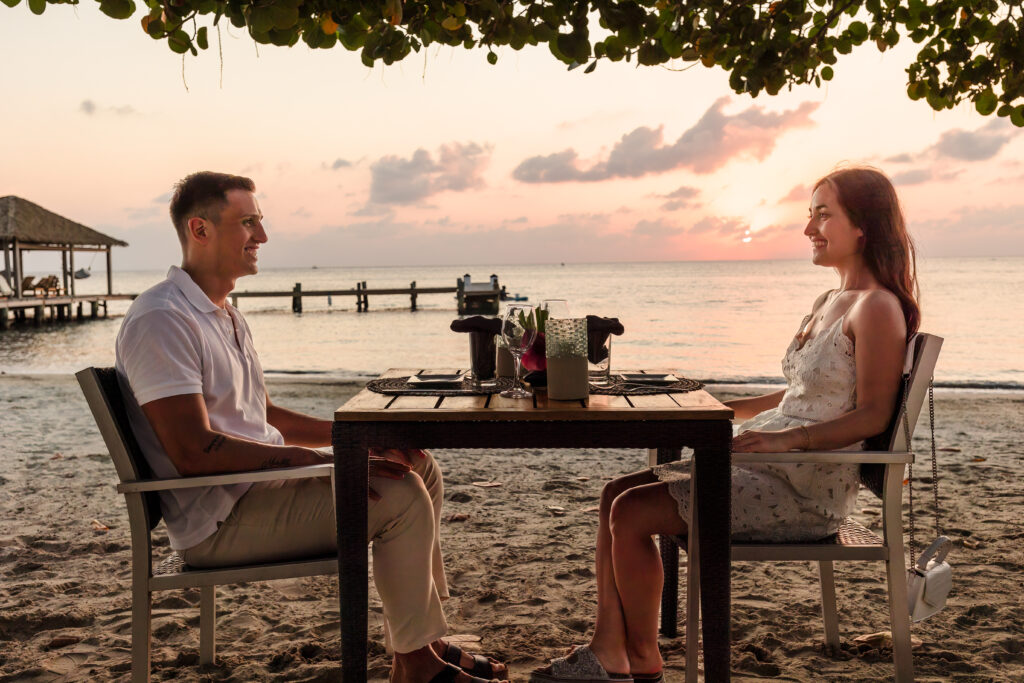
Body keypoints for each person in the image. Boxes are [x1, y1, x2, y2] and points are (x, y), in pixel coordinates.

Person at [115, 172, 508, 683]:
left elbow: (264, 416)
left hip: (259, 489)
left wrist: (356, 439)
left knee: (416, 464)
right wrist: (311, 460)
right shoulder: (162, 319)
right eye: (248, 222)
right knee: (401, 494)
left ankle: (423, 644)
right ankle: (417, 668)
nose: (262, 237)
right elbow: (193, 451)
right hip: (219, 519)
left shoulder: (224, 315)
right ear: (200, 229)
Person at [531, 166, 919, 683]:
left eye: (823, 215)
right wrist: (723, 406)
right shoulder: (829, 301)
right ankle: (608, 646)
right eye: (810, 215)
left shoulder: (878, 308)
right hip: (772, 463)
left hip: (804, 488)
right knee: (613, 494)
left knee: (630, 511)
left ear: (864, 226)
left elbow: (871, 412)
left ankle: (640, 659)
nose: (809, 229)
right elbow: (807, 394)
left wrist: (785, 440)